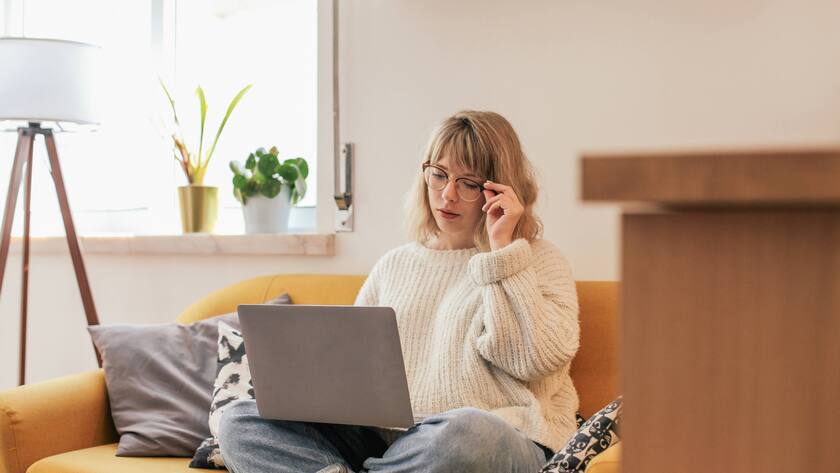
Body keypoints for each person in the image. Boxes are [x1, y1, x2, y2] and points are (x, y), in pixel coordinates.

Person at [219, 110, 580, 473]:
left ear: (500, 189)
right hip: (389, 444)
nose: (448, 194)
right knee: (240, 421)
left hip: (489, 440)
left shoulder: (535, 259)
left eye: (468, 183)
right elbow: (351, 374)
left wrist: (501, 252)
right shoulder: (394, 264)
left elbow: (532, 360)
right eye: (438, 175)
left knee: (465, 433)